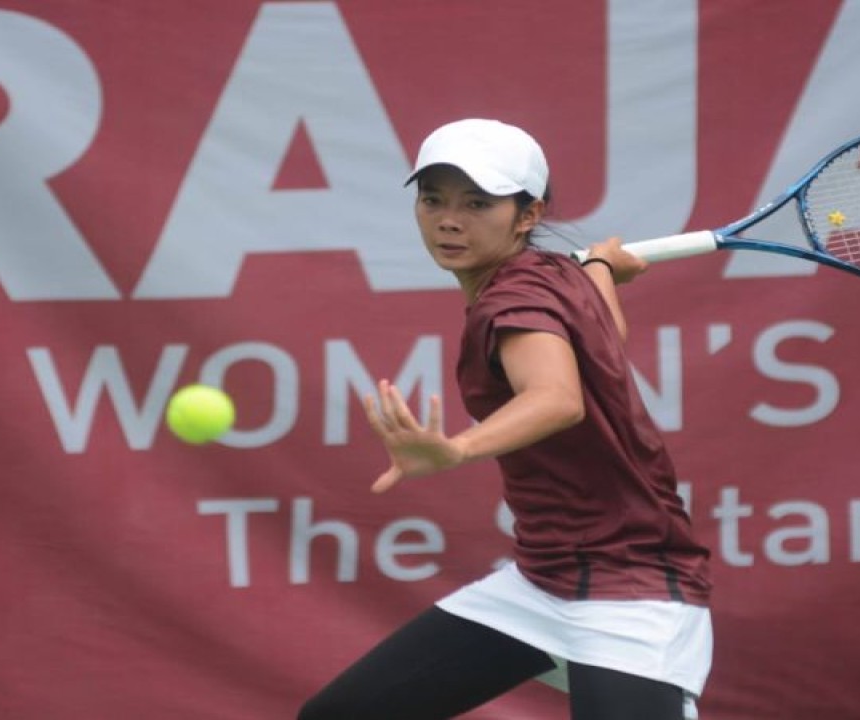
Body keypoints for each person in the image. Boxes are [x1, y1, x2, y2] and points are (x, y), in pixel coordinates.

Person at [298, 119, 712, 720]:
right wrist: (600, 268)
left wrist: (457, 450)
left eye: (477, 204)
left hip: (630, 590)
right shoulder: (558, 273)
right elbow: (606, 338)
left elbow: (557, 398)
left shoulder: (512, 300)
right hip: (543, 582)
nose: (449, 221)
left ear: (527, 215)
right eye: (433, 200)